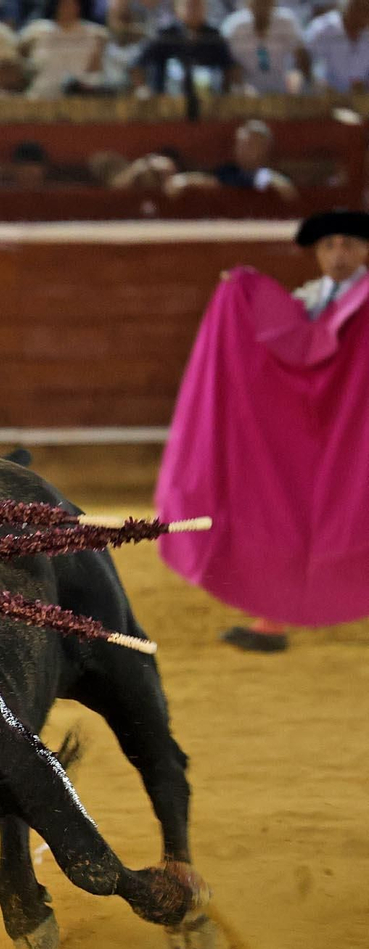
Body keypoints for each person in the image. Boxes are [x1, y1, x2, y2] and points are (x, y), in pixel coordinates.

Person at [156, 209, 369, 653]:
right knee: (288, 514)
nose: (338, 254)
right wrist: (241, 295)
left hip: (358, 432)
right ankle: (273, 620)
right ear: (316, 254)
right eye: (329, 245)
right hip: (305, 436)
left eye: (348, 244)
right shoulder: (307, 299)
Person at [133, 0, 241, 110]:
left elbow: (231, 67)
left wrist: (228, 91)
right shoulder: (165, 36)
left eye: (197, 5)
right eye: (189, 5)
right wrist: (142, 89)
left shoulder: (214, 37)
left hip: (207, 105)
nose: (193, 10)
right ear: (177, 9)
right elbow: (137, 65)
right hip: (168, 106)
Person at [166, 118, 298, 199]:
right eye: (240, 144)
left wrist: (269, 178)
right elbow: (213, 181)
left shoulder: (273, 175)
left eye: (250, 145)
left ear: (265, 149)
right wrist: (184, 180)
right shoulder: (228, 171)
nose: (242, 149)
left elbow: (286, 190)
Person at [19, 0, 107, 98]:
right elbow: (20, 60)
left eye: (72, 4)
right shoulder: (36, 31)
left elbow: (98, 70)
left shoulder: (96, 34)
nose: (67, 8)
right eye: (64, 4)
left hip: (79, 98)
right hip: (41, 96)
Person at [221, 0, 308, 94]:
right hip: (246, 92)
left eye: (266, 2)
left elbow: (301, 56)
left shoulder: (287, 22)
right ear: (248, 3)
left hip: (282, 89)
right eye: (258, 2)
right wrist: (241, 87)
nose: (262, 6)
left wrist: (298, 77)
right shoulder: (233, 26)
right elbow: (228, 63)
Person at [304, 0, 369, 93]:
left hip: (360, 99)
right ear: (351, 7)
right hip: (323, 98)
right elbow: (305, 62)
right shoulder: (322, 28)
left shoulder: (366, 32)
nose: (366, 17)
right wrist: (317, 82)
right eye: (363, 9)